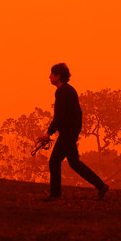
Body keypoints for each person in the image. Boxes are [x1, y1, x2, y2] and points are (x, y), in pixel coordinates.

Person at [38, 62, 109, 201]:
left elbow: (60, 115)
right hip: (69, 131)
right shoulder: (69, 90)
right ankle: (55, 193)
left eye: (52, 74)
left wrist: (48, 133)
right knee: (56, 161)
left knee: (72, 163)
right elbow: (75, 113)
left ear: (58, 76)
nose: (49, 77)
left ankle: (100, 186)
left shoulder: (62, 91)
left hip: (67, 132)